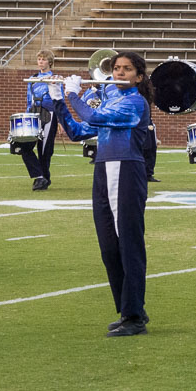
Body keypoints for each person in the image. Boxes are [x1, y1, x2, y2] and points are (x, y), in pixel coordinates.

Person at [50, 53, 153, 336]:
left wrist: (73, 95)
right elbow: (77, 131)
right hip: (104, 168)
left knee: (128, 244)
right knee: (109, 246)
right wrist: (58, 99)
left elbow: (92, 116)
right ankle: (128, 309)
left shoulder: (135, 102)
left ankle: (134, 316)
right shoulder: (111, 100)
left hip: (126, 170)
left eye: (127, 69)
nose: (119, 73)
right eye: (116, 68)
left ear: (138, 77)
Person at [17, 49, 58, 190]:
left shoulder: (55, 78)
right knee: (24, 146)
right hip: (34, 114)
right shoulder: (33, 79)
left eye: (44, 59)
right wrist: (26, 116)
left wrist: (63, 121)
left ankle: (44, 178)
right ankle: (39, 176)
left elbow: (59, 101)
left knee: (45, 150)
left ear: (50, 62)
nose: (41, 61)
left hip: (49, 114)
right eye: (39, 59)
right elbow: (29, 100)